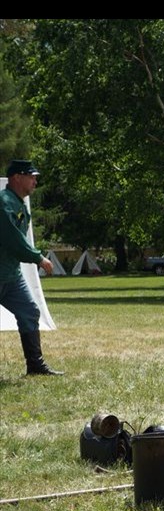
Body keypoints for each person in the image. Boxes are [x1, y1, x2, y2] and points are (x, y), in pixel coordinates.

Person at [1, 159, 63, 376]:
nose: (35, 181)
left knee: (29, 310)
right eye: (31, 176)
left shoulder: (17, 203)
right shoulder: (4, 202)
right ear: (16, 177)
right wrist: (39, 259)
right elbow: (13, 240)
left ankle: (35, 365)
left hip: (10, 275)